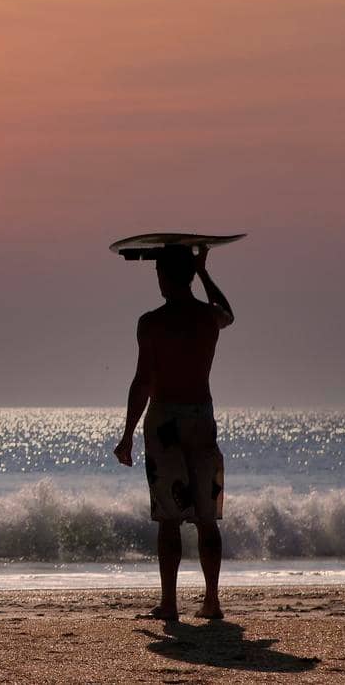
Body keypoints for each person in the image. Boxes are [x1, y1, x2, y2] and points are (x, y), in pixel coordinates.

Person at [113, 244, 234, 621]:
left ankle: (169, 603)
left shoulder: (151, 323)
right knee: (205, 517)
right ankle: (211, 600)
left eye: (159, 273)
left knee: (168, 516)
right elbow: (228, 313)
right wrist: (203, 271)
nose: (159, 280)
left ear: (165, 275)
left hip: (164, 419)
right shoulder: (206, 319)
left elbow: (141, 382)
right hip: (201, 416)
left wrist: (127, 433)